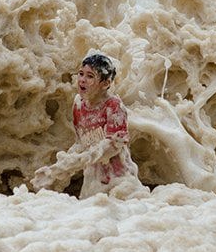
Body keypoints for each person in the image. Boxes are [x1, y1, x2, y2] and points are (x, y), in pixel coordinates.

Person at [31, 53, 139, 197]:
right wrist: (55, 170)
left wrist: (77, 161)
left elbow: (113, 145)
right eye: (81, 74)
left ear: (105, 84)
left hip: (119, 178)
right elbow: (80, 143)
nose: (82, 80)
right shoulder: (78, 104)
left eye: (90, 76)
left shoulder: (114, 106)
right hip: (92, 178)